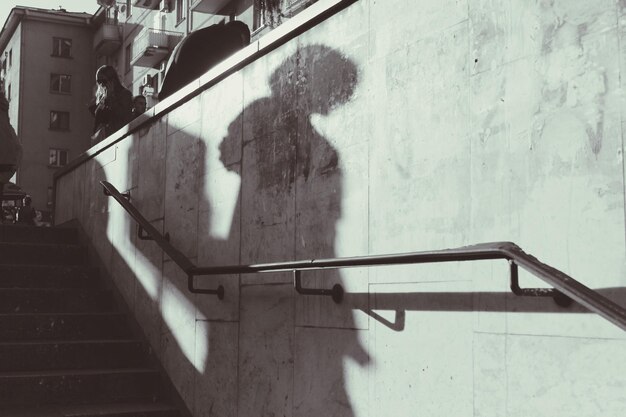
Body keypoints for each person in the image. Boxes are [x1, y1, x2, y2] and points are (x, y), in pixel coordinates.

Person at [158, 20, 250, 100]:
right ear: (242, 37)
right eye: (243, 46)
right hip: (185, 93)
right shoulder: (232, 35)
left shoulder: (205, 34)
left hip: (170, 94)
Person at [88, 65, 133, 142]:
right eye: (99, 82)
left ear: (113, 80)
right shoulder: (103, 97)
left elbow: (123, 115)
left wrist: (111, 98)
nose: (102, 85)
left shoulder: (125, 94)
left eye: (104, 81)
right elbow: (98, 120)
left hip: (119, 137)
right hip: (104, 139)